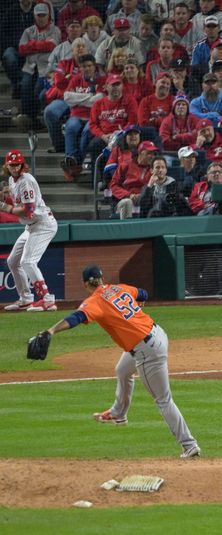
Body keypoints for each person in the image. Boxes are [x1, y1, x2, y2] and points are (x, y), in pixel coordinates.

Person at [41, 264, 200, 459]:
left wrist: (51, 331)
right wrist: (134, 313)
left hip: (147, 351)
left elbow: (76, 318)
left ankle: (189, 445)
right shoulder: (119, 288)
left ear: (85, 284)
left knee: (163, 400)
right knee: (123, 370)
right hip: (157, 334)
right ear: (102, 278)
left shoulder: (95, 301)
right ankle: (119, 412)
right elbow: (143, 293)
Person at [1, 151, 58, 312]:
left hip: (43, 224)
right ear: (7, 165)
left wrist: (5, 207)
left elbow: (28, 209)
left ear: (22, 164)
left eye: (17, 164)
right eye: (11, 165)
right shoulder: (12, 180)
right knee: (13, 261)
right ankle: (26, 298)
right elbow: (18, 201)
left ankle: (47, 300)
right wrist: (5, 198)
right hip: (31, 226)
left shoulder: (26, 180)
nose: (14, 167)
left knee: (28, 261)